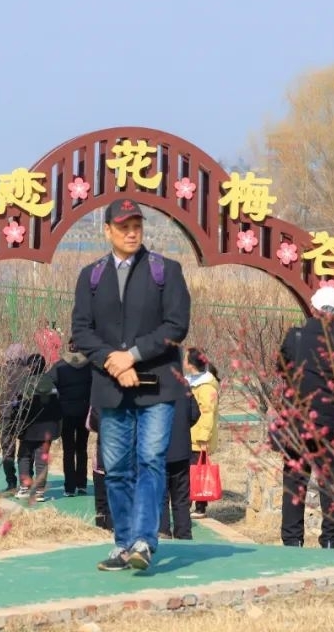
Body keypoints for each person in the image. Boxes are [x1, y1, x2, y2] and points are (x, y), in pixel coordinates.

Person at [71, 198, 191, 572]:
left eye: (136, 225)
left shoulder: (165, 271)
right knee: (118, 467)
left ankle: (144, 541)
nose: (131, 232)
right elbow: (81, 331)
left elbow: (176, 326)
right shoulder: (91, 277)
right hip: (111, 386)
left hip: (158, 387)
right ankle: (123, 544)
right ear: (107, 230)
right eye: (123, 227)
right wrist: (114, 360)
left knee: (151, 460)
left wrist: (133, 356)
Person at [275, 285, 334, 549]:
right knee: (331, 481)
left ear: (313, 308)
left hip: (297, 421)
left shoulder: (295, 337)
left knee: (295, 479)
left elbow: (282, 369)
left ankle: (292, 540)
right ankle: (330, 540)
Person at [15, 353, 61, 502]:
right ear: (43, 366)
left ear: (29, 367)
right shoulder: (51, 383)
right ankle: (40, 491)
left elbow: (17, 406)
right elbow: (58, 406)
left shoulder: (24, 383)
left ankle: (24, 487)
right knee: (42, 459)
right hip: (47, 428)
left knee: (24, 456)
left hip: (28, 427)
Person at [51, 339, 92, 497]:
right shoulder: (90, 366)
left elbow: (48, 383)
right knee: (82, 448)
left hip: (66, 412)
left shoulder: (59, 366)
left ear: (69, 347)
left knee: (68, 450)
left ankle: (69, 487)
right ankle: (82, 484)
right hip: (84, 411)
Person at [159, 389, 200, 540]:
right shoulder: (183, 386)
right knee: (181, 497)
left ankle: (162, 530)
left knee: (160, 495)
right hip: (181, 449)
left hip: (158, 449)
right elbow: (195, 413)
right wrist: (182, 426)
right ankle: (183, 533)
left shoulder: (151, 386)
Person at [185, 347, 221, 520]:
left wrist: (203, 437)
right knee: (193, 471)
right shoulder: (191, 381)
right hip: (190, 434)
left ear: (191, 364)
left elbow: (207, 413)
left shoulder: (206, 386)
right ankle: (191, 505)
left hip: (198, 438)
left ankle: (198, 507)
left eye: (185, 358)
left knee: (197, 472)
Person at [0, 343, 29, 493]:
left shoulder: (1, 370)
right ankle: (26, 480)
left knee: (7, 448)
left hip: (5, 414)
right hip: (23, 414)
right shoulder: (27, 372)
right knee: (25, 448)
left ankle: (11, 481)